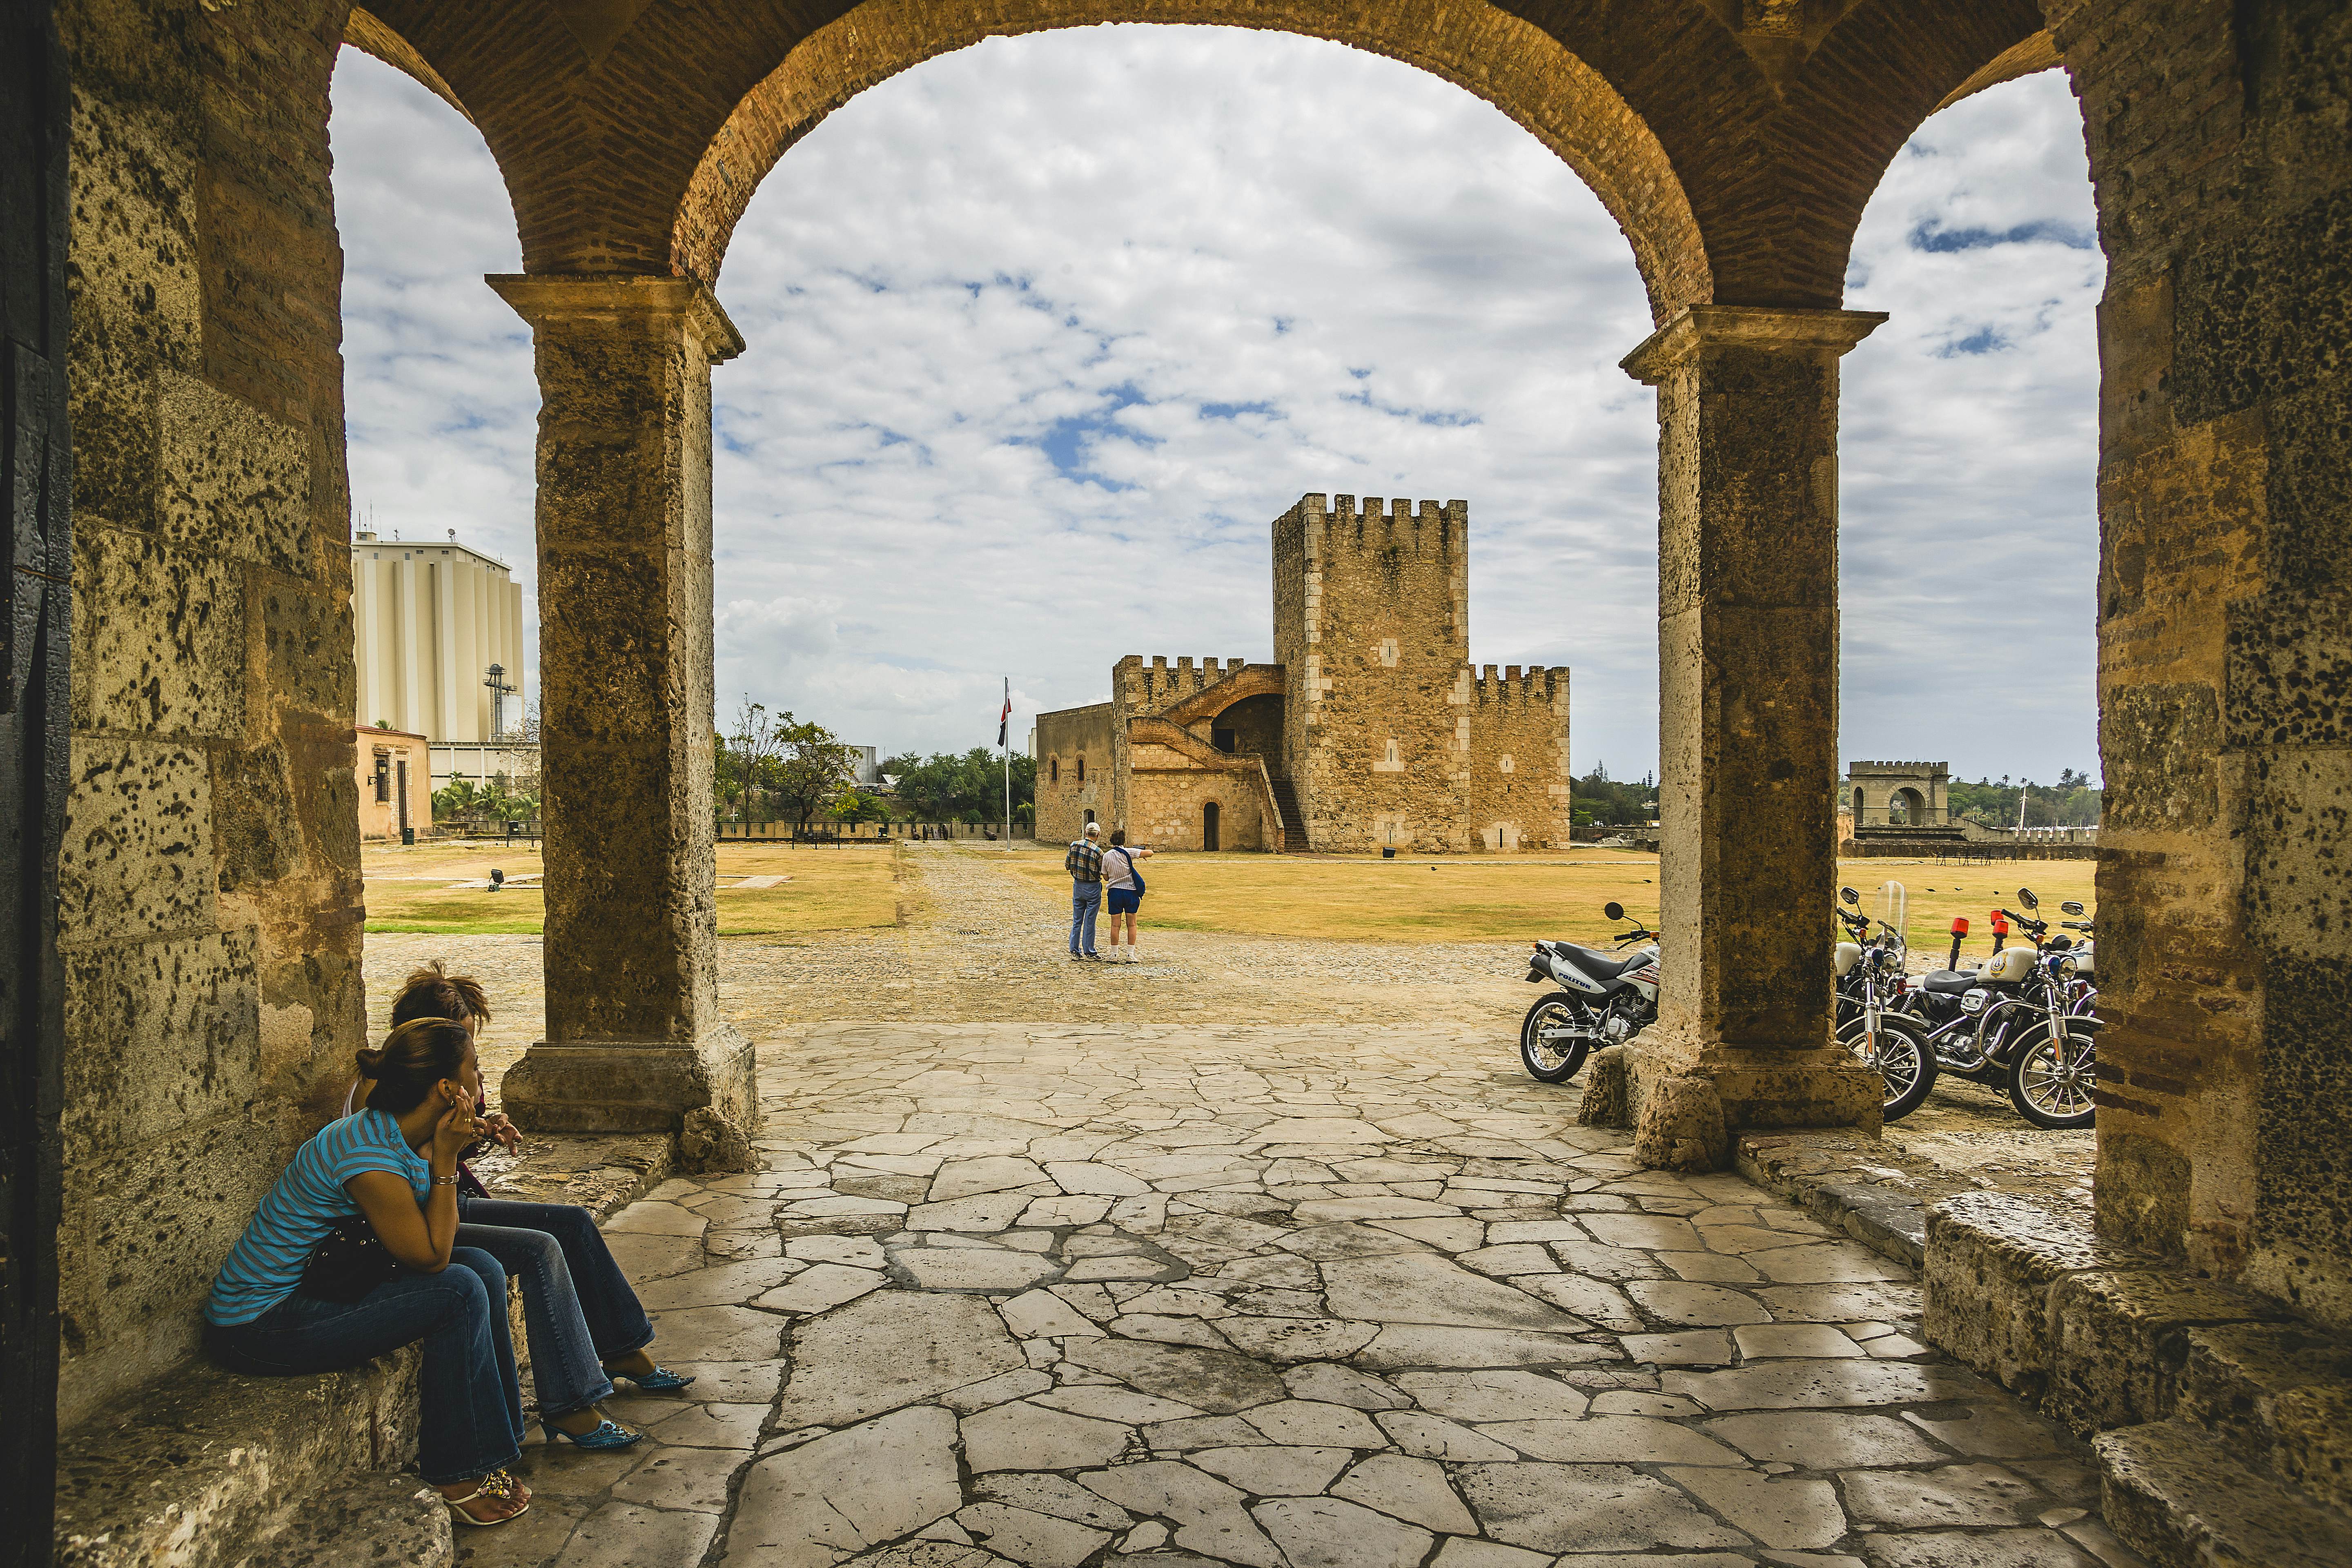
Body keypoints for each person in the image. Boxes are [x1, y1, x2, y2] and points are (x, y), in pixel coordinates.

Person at [205, 1019, 533, 1526]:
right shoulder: (367, 1158)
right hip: (258, 1324)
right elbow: (429, 1258)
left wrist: (462, 1139)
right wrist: (446, 1157)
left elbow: (423, 1206)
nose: (480, 1074)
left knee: (485, 1268)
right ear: (446, 1088)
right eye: (473, 1068)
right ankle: (457, 1472)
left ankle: (497, 1448)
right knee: (459, 1289)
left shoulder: (391, 1129)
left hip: (317, 1289)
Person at [349, 964, 693, 1440]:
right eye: (463, 1046)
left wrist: (481, 1131)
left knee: (570, 1222)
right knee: (539, 1249)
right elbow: (407, 1168)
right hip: (421, 1209)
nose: (474, 1061)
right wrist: (453, 1144)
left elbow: (433, 1145)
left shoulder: (434, 1083)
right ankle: (569, 1401)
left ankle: (620, 1347)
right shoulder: (380, 1093)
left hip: (447, 1194)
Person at [1102, 829, 1157, 964]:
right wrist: (1141, 854)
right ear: (1123, 841)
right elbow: (1150, 853)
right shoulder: (1129, 852)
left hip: (1115, 892)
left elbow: (1105, 877)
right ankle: (1130, 955)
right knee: (1131, 924)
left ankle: (1114, 955)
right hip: (1130, 892)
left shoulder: (1107, 856)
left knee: (1115, 925)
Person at [1066, 820, 1105, 960]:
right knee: (1090, 921)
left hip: (1078, 885)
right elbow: (1103, 871)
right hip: (1093, 887)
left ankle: (1075, 950)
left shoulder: (1074, 845)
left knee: (1077, 919)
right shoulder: (1098, 852)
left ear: (1085, 832)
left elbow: (1068, 865)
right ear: (1098, 835)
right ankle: (1089, 951)